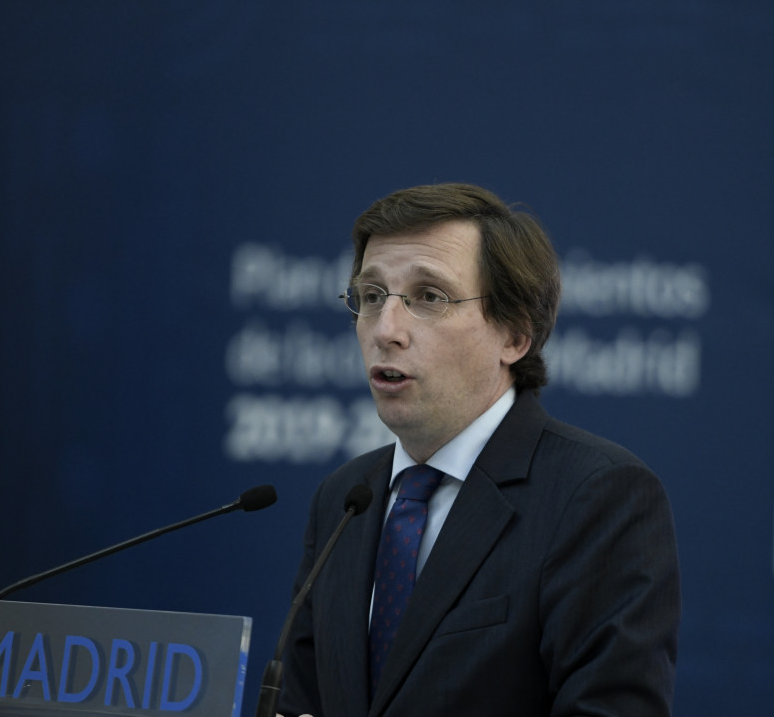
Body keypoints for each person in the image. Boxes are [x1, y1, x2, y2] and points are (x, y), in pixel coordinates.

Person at [278, 183, 681, 716]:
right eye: (371, 296)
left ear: (514, 336)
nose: (385, 330)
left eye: (429, 297)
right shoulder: (344, 499)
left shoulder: (598, 497)